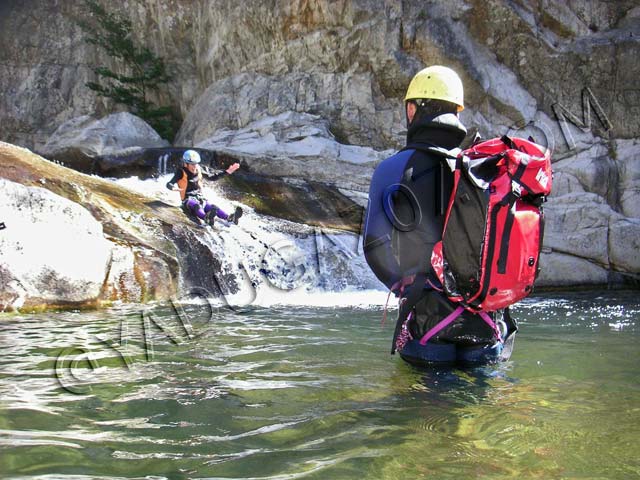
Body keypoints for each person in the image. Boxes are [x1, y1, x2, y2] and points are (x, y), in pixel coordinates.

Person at [363, 65, 511, 366]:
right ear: (457, 112)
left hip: (427, 322)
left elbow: (373, 245)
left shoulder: (392, 168)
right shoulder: (484, 169)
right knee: (482, 407)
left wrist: (406, 287)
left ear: (411, 110)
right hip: (486, 322)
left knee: (427, 411)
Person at [166, 149, 243, 226]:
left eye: (196, 164)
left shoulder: (199, 168)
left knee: (214, 207)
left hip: (200, 198)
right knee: (197, 206)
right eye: (192, 164)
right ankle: (206, 218)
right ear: (186, 164)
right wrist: (173, 188)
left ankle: (229, 218)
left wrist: (227, 171)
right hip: (188, 201)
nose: (194, 166)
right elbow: (169, 183)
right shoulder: (181, 172)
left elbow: (212, 177)